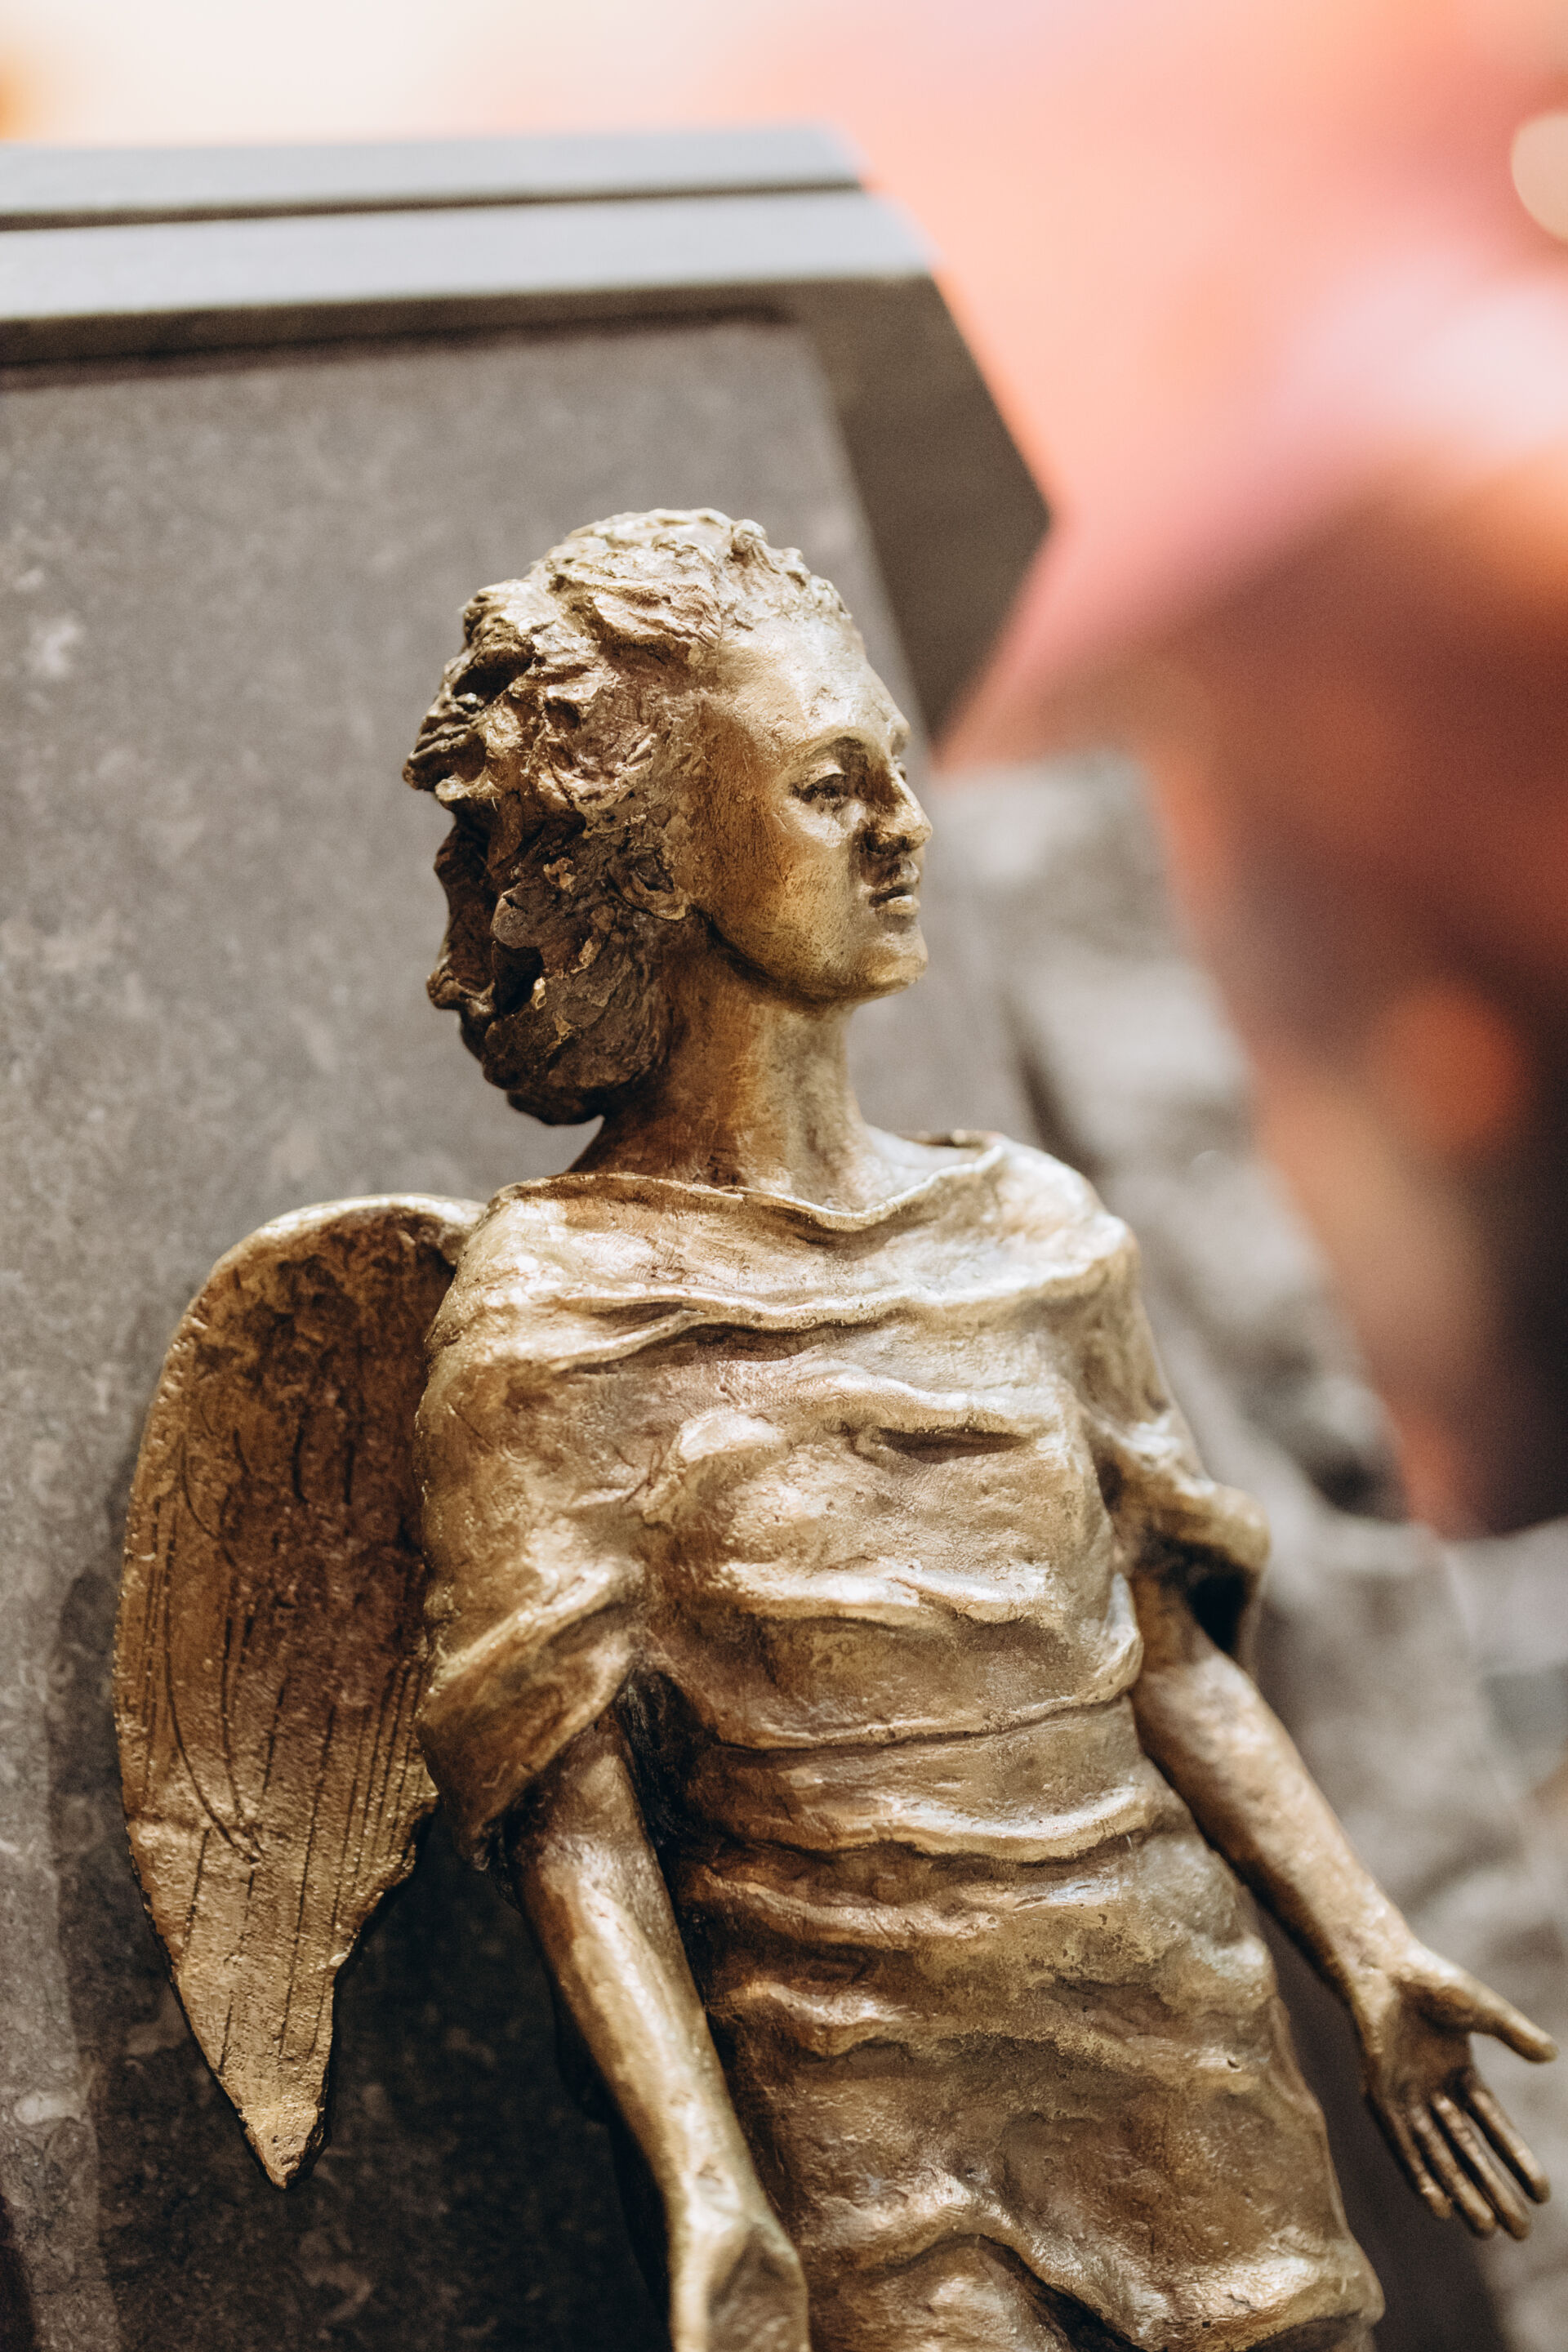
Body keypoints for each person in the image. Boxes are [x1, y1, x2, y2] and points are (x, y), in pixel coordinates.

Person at [403, 510, 1552, 2352]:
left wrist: (1372, 1948)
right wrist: (705, 2181)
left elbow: (1167, 1655)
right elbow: (580, 1822)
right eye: (826, 786)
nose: (902, 825)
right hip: (848, 2087)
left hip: (1170, 2015)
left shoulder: (1033, 1233)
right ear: (665, 850)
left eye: (897, 768)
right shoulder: (556, 1321)